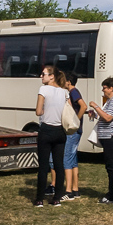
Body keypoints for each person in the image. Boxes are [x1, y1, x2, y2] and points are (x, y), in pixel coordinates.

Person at [34, 64, 68, 207]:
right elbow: (67, 111)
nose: (41, 76)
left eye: (44, 74)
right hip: (60, 131)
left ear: (52, 76)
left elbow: (38, 111)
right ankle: (57, 198)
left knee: (43, 166)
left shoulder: (43, 89)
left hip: (47, 129)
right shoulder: (64, 92)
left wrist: (45, 112)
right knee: (59, 165)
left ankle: (39, 198)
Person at [88, 77, 113, 204]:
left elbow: (108, 118)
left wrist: (96, 106)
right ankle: (111, 194)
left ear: (111, 88)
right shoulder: (110, 101)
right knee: (110, 166)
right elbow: (105, 116)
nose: (102, 90)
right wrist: (95, 114)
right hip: (108, 137)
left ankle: (112, 196)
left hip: (112, 137)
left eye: (104, 88)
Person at [58, 73, 86, 201]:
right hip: (77, 131)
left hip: (73, 131)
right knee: (73, 159)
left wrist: (76, 120)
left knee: (67, 158)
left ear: (69, 82)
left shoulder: (73, 92)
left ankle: (68, 191)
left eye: (64, 81)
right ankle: (75, 189)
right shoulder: (74, 91)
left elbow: (83, 106)